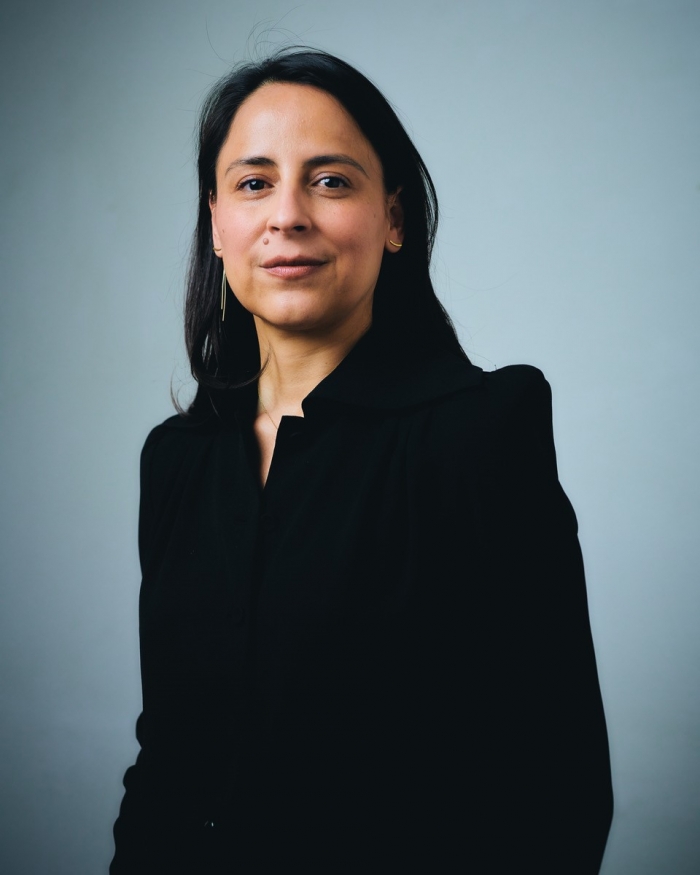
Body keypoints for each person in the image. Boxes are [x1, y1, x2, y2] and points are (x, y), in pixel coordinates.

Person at [111, 48, 613, 873]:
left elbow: (558, 789)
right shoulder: (176, 461)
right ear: (216, 222)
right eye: (254, 182)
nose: (287, 215)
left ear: (394, 218)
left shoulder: (480, 433)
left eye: (331, 181)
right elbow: (169, 755)